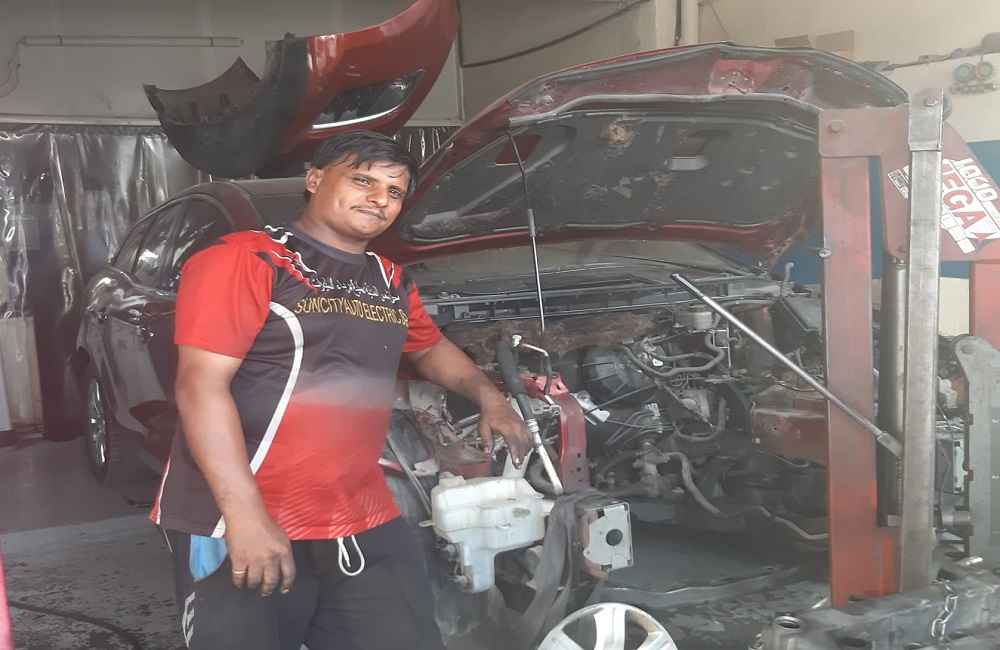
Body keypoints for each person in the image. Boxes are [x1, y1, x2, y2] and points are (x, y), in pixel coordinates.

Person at [149, 130, 532, 650]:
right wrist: (244, 516)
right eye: (362, 180)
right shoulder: (247, 259)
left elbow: (429, 348)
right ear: (314, 179)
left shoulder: (389, 280)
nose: (379, 199)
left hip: (359, 514)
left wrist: (491, 398)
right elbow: (200, 386)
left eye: (394, 192)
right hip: (240, 517)